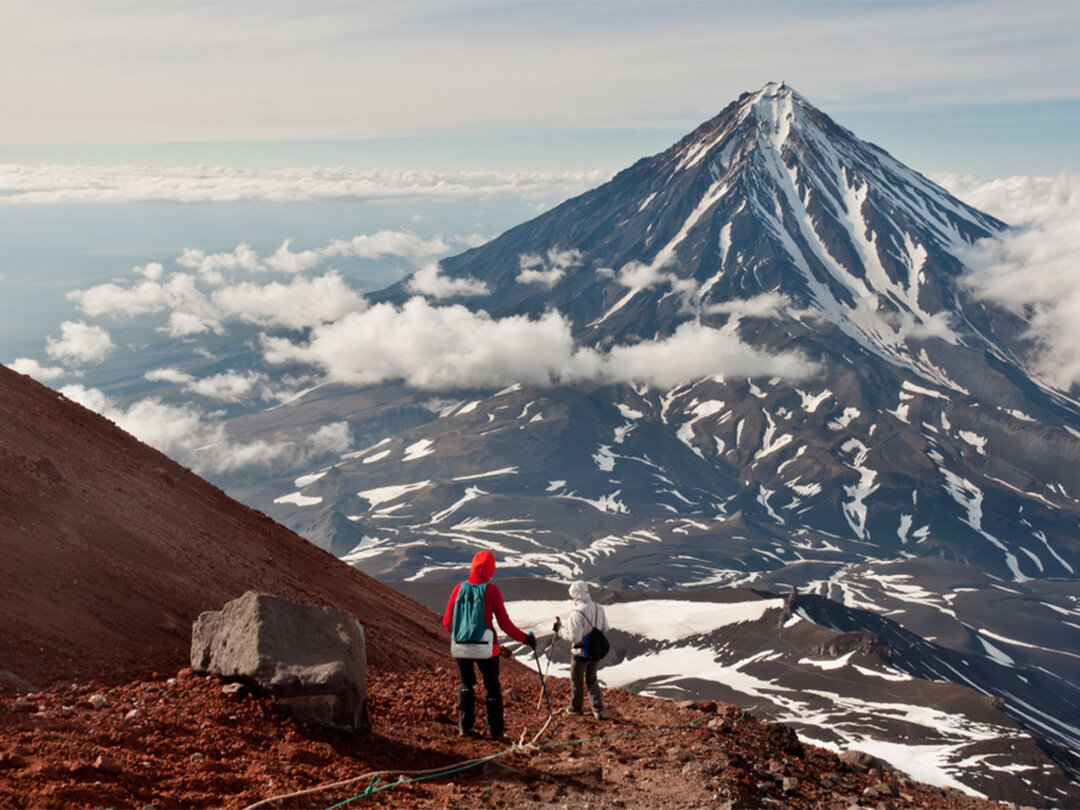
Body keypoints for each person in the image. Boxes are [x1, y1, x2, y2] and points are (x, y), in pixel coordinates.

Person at [443, 550, 536, 738]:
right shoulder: (491, 590)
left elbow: (447, 622)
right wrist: (525, 639)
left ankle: (465, 726)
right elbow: (505, 624)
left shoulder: (458, 589)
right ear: (490, 569)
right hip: (486, 648)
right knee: (492, 688)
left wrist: (463, 634)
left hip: (461, 646)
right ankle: (495, 731)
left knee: (465, 684)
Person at [559, 580, 610, 720]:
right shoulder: (599, 608)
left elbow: (575, 638)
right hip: (595, 651)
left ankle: (576, 708)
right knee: (592, 680)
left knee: (576, 680)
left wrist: (560, 631)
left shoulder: (576, 614)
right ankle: (598, 710)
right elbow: (605, 628)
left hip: (581, 653)